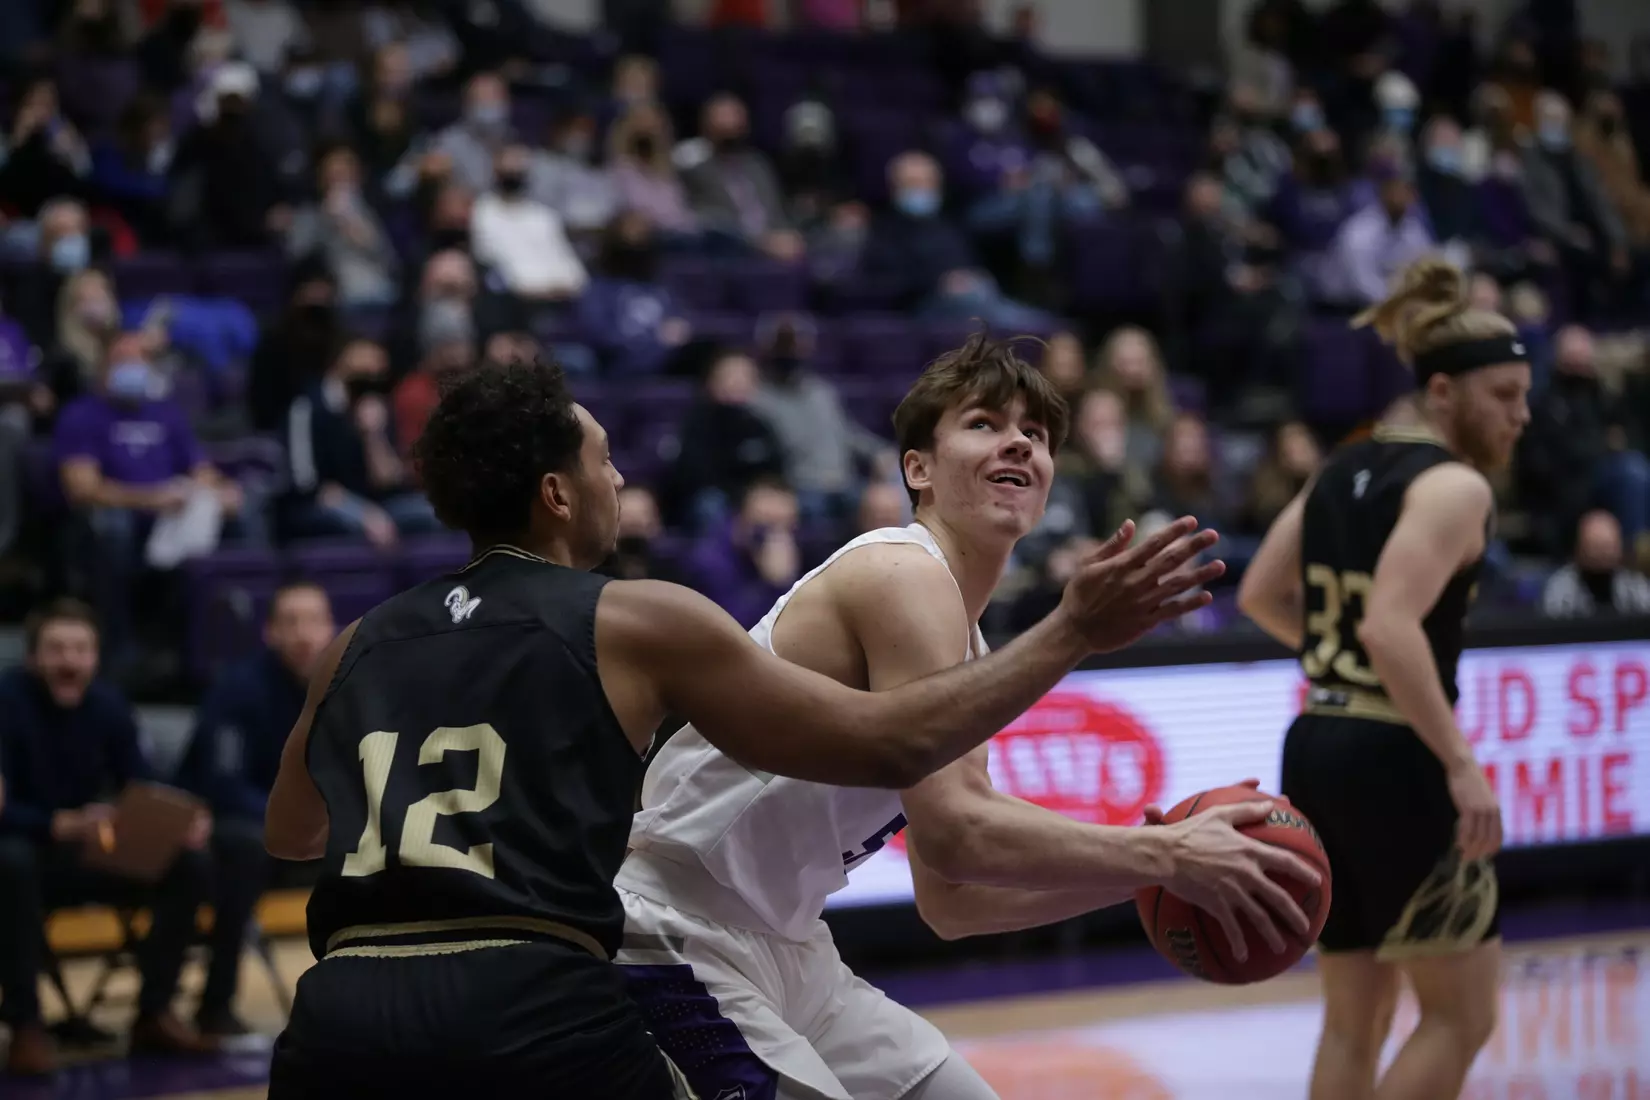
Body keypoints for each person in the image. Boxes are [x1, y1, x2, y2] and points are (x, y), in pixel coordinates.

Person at [261, 354, 1223, 1099]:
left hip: (368, 987)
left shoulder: (360, 642)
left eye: (1037, 434)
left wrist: (1141, 862)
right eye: (605, 460)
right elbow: (910, 763)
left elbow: (291, 833)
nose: (623, 475)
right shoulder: (655, 612)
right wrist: (1077, 648)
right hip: (653, 929)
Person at [615, 335, 1321, 1100]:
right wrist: (1168, 855)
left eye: (1037, 434)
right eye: (984, 423)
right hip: (676, 928)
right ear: (918, 468)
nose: (1018, 439)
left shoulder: (965, 638)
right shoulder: (901, 570)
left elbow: (953, 899)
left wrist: (1152, 867)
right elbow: (959, 828)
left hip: (791, 948)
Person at [1237, 257, 1530, 1100]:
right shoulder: (1453, 485)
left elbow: (1261, 593)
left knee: (1352, 1020)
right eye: (1504, 396)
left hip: (1319, 739)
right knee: (1461, 1017)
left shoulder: (1339, 467)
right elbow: (1390, 626)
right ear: (1444, 393)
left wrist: (1347, 668)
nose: (1523, 415)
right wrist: (1461, 763)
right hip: (1395, 756)